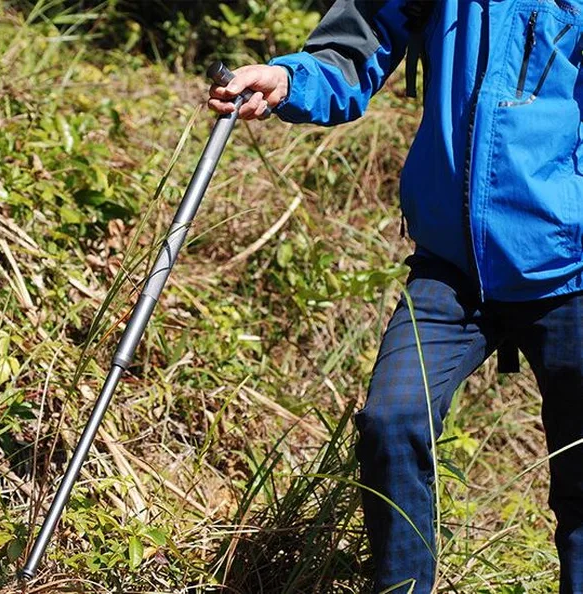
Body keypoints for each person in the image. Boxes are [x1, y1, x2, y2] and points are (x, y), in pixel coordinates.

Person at [208, 0, 583, 592]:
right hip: (451, 269)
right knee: (392, 419)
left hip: (571, 268)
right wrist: (286, 78)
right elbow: (351, 49)